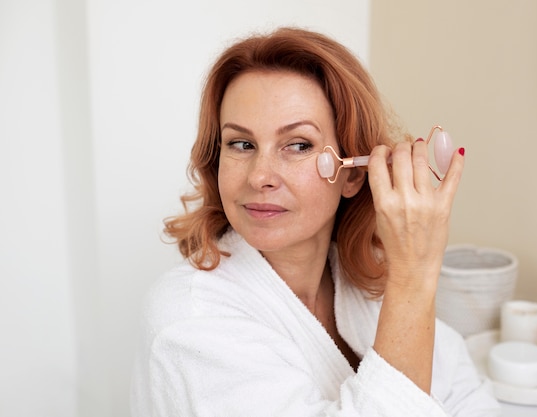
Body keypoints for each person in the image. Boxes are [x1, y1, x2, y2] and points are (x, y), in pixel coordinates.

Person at [130, 27, 500, 416]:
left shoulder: (361, 281)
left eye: (298, 145)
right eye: (241, 144)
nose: (260, 176)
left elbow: (464, 393)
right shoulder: (188, 321)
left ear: (354, 173)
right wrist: (414, 273)